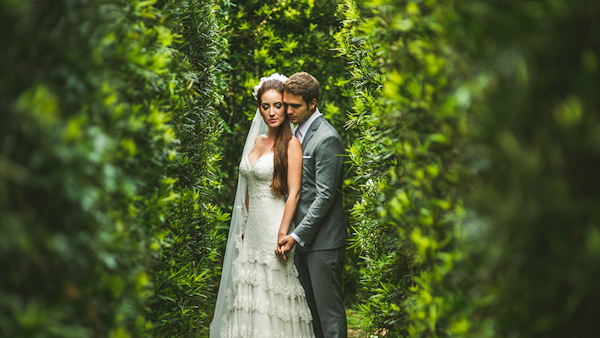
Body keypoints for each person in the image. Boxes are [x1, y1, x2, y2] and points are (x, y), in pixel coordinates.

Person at [210, 73, 315, 338]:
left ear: (286, 106)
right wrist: (243, 227)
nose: (272, 112)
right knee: (248, 292)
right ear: (259, 108)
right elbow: (247, 187)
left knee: (273, 295)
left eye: (278, 105)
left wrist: (283, 233)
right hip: (251, 231)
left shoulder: (292, 144)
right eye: (265, 106)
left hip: (273, 226)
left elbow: (294, 193)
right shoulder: (257, 142)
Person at [277, 72, 348, 338]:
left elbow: (325, 197)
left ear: (313, 103)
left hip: (324, 242)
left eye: (295, 106)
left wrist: (296, 235)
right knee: (311, 316)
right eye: (286, 104)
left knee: (329, 317)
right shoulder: (295, 132)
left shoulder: (327, 138)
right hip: (304, 240)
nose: (288, 110)